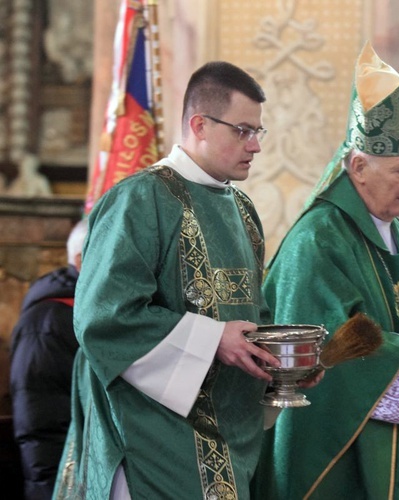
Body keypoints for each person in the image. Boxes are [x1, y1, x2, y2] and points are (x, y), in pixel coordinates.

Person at [53, 61, 321, 499]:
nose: (255, 145)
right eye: (242, 130)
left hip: (230, 436)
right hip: (151, 437)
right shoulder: (140, 199)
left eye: (258, 131)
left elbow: (254, 318)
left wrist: (280, 368)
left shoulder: (243, 211)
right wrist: (214, 339)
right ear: (199, 124)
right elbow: (104, 319)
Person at [256, 42, 399, 499]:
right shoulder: (318, 240)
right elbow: (324, 352)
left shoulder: (393, 233)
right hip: (344, 453)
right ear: (359, 166)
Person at [10, 219, 86, 500]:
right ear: (81, 260)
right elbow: (41, 425)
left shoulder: (93, 308)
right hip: (64, 484)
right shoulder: (48, 322)